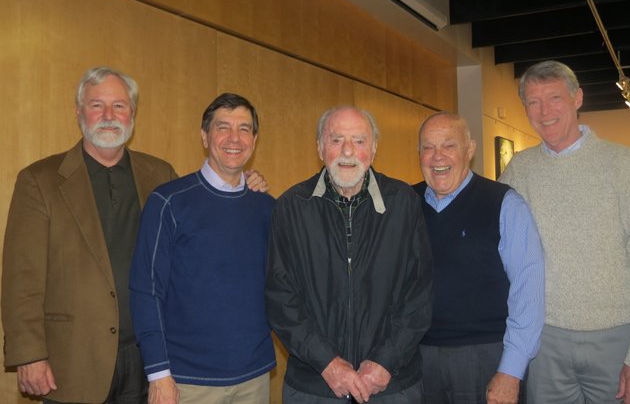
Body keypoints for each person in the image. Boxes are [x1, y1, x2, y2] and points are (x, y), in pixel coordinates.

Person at [1, 67, 177, 403]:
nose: (109, 116)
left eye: (120, 106)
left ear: (133, 114)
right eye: (97, 105)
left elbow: (193, 242)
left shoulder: (161, 175)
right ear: (79, 112)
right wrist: (29, 354)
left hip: (148, 362)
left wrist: (242, 182)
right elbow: (21, 276)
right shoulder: (40, 180)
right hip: (72, 362)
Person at [498, 60, 630, 404]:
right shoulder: (519, 170)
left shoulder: (624, 165)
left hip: (617, 340)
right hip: (544, 343)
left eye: (554, 98)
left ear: (578, 98)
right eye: (533, 101)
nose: (544, 111)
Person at [265, 106, 433, 403]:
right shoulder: (291, 207)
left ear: (374, 148)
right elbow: (281, 297)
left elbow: (418, 294)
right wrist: (328, 364)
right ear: (319, 147)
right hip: (314, 387)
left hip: (392, 384)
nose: (347, 151)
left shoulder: (404, 203)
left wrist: (384, 362)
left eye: (358, 140)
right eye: (335, 140)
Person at [129, 93, 276, 404]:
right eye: (223, 127)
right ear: (204, 136)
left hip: (255, 378)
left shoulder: (268, 208)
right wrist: (158, 374)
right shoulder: (169, 202)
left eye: (245, 129)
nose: (234, 138)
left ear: (254, 139)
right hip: (186, 381)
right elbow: (146, 290)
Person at [413, 112, 545, 404]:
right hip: (418, 360)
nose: (437, 157)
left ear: (469, 150)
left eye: (449, 145)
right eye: (427, 147)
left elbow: (529, 290)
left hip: (485, 356)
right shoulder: (406, 205)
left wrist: (511, 371)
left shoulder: (504, 204)